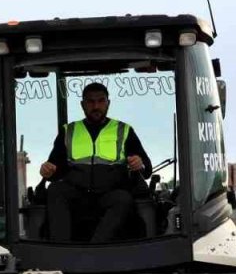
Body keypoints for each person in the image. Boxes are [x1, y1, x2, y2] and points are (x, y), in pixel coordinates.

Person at [40, 83, 152, 242]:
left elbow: (147, 169)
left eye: (101, 101)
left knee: (123, 198)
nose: (96, 106)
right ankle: (61, 249)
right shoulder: (69, 131)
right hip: (77, 196)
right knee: (55, 190)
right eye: (90, 102)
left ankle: (95, 248)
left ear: (108, 103)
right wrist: (47, 170)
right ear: (82, 104)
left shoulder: (123, 130)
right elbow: (54, 168)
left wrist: (139, 163)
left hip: (109, 194)